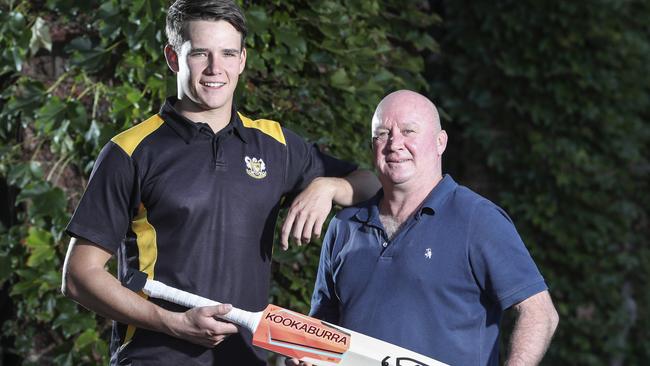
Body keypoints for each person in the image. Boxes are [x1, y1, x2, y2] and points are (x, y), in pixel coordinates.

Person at [60, 1, 379, 365]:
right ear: (173, 57)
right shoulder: (131, 151)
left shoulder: (275, 145)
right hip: (156, 357)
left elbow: (368, 184)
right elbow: (79, 275)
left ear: (242, 60)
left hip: (246, 358)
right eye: (200, 53)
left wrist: (329, 187)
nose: (216, 69)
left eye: (228, 53)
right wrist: (173, 323)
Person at [290, 90, 559, 366]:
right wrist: (308, 355)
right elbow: (322, 326)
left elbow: (539, 314)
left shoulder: (477, 220)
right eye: (383, 133)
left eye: (409, 131)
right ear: (373, 145)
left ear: (440, 142)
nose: (395, 143)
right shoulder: (344, 226)